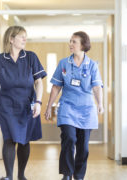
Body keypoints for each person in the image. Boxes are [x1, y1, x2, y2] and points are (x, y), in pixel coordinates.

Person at [0, 26, 46, 180]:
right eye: (21, 36)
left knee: (24, 141)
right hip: (7, 106)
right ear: (11, 39)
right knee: (9, 138)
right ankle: (9, 176)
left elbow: (39, 82)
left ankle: (21, 175)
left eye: (25, 36)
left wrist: (38, 102)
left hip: (27, 105)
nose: (24, 39)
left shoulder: (31, 57)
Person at [45, 31, 104, 180]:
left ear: (83, 45)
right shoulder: (64, 63)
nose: (70, 44)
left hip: (86, 109)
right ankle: (66, 174)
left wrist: (100, 103)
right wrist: (48, 106)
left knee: (83, 147)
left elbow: (97, 87)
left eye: (74, 42)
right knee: (69, 139)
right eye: (70, 41)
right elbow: (56, 87)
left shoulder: (92, 65)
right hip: (67, 107)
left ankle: (78, 176)